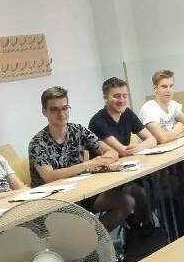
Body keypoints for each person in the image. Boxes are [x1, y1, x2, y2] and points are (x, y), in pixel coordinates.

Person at [29, 86, 134, 232]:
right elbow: (49, 176)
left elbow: (112, 152)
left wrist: (101, 162)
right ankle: (84, 240)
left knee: (126, 202)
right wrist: (86, 165)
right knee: (77, 225)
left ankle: (92, 239)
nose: (61, 113)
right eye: (54, 109)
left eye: (65, 108)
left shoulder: (78, 130)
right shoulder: (38, 143)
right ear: (44, 111)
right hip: (54, 201)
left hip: (81, 192)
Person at [88, 77, 153, 227]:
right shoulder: (97, 121)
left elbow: (151, 139)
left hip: (125, 171)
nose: (122, 100)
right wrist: (132, 149)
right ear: (105, 98)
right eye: (116, 96)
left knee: (152, 190)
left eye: (124, 96)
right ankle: (138, 227)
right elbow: (121, 151)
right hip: (105, 178)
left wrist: (139, 147)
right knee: (138, 193)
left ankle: (140, 227)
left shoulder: (128, 114)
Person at [138, 70, 184, 198]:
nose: (168, 90)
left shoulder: (172, 105)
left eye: (171, 86)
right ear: (155, 88)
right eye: (164, 86)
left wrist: (177, 135)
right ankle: (169, 203)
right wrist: (177, 129)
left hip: (172, 155)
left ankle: (175, 200)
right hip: (154, 160)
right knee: (179, 177)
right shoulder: (149, 108)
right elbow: (162, 139)